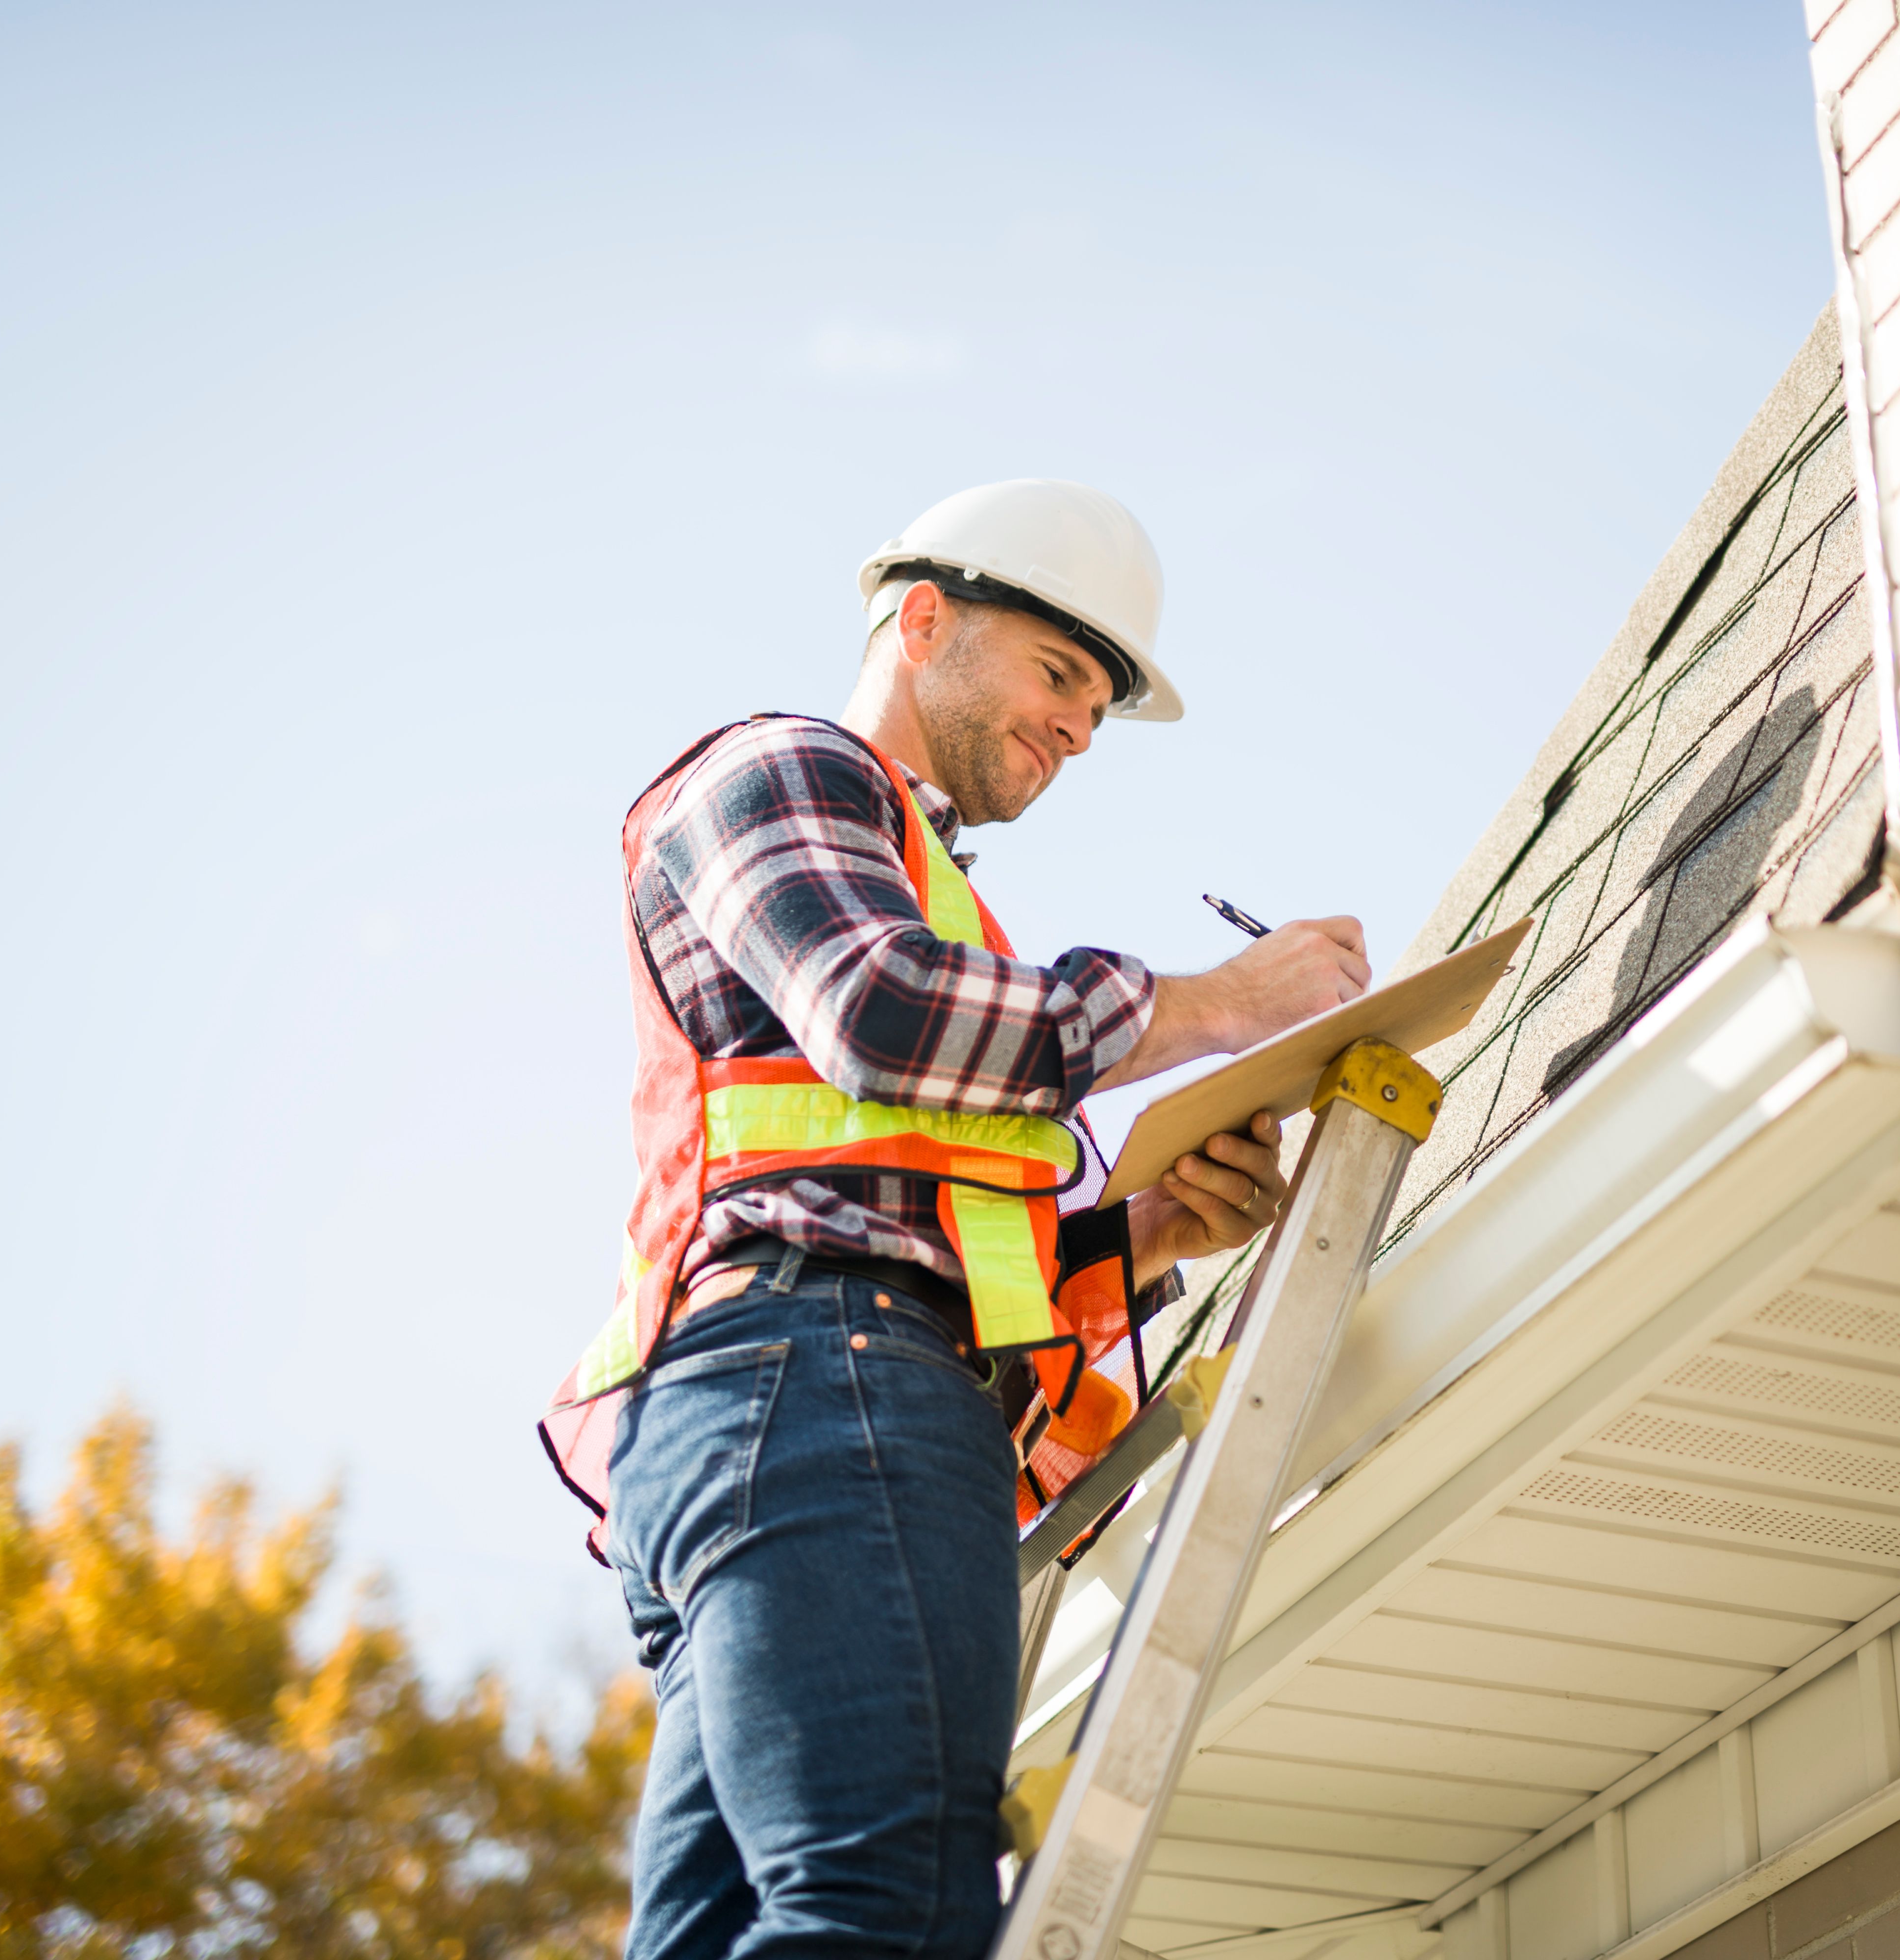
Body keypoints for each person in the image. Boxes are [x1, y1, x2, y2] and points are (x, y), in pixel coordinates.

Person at [536, 479, 1368, 1960]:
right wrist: (1230, 1003)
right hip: (819, 1386)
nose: (1077, 730)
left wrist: (1151, 1228)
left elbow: (917, 1211)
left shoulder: (938, 902)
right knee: (891, 1913)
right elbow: (876, 1012)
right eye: (1061, 673)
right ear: (923, 623)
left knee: (765, 1927)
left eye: (1099, 710)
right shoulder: (781, 771)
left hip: (779, 1404)